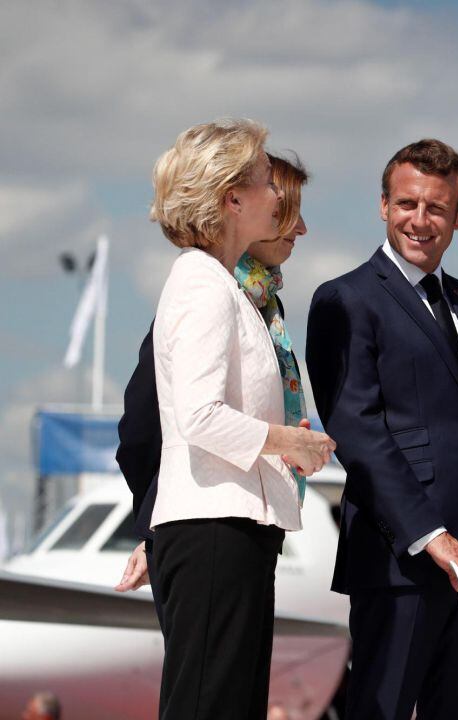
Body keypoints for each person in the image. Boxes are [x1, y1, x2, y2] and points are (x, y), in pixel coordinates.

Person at [305, 138, 458, 720]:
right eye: (406, 204)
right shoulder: (344, 299)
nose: (419, 220)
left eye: (436, 209)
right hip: (400, 562)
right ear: (383, 206)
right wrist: (432, 536)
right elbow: (358, 430)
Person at [145, 119, 335, 720]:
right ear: (232, 199)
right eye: (263, 181)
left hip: (231, 528)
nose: (277, 195)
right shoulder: (203, 285)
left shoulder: (221, 285)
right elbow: (199, 415)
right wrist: (289, 444)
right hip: (212, 531)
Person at [114, 152, 312, 607]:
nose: (301, 229)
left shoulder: (262, 303)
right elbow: (142, 432)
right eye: (289, 213)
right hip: (206, 530)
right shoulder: (208, 291)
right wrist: (154, 532)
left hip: (251, 527)